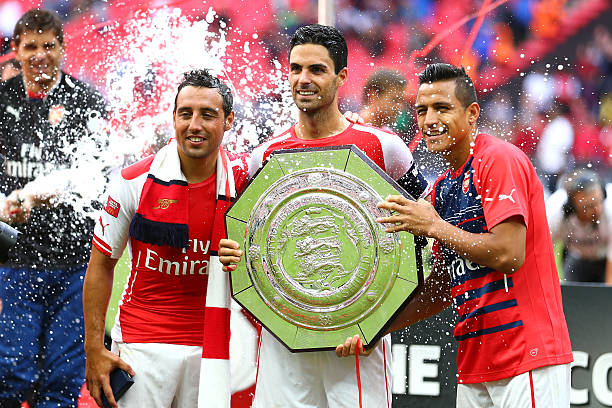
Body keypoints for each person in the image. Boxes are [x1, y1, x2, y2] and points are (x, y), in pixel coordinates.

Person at [336, 63, 573, 407]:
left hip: (528, 357)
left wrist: (434, 226)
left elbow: (509, 254)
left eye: (442, 108)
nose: (429, 119)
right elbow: (442, 286)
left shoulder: (498, 159)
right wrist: (378, 329)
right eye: (421, 110)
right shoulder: (442, 188)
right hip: (476, 364)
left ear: (472, 113)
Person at [220, 24, 430, 408]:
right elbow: (250, 240)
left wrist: (384, 318)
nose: (304, 79)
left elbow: (423, 223)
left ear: (342, 76)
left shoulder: (384, 147)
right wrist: (234, 253)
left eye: (316, 69)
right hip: (285, 337)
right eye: (296, 68)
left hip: (357, 342)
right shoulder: (264, 156)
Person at [82, 69, 249, 408]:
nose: (195, 125)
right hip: (142, 345)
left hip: (216, 345)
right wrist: (94, 349)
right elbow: (100, 266)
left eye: (208, 115)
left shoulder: (247, 184)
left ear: (229, 120)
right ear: (173, 117)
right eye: (185, 114)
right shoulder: (132, 182)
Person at [0, 9, 107, 408]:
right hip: (14, 260)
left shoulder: (86, 100)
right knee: (11, 371)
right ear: (16, 50)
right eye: (31, 47)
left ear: (63, 48)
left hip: (75, 262)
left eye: (49, 46)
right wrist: (5, 205)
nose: (40, 55)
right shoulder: (2, 101)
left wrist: (30, 196)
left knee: (62, 380)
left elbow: (87, 176)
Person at [546, 168, 612, 283]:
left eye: (598, 202)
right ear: (572, 207)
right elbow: (543, 251)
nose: (596, 210)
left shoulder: (609, 210)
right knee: (571, 294)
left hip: (605, 257)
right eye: (589, 206)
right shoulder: (556, 212)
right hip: (575, 256)